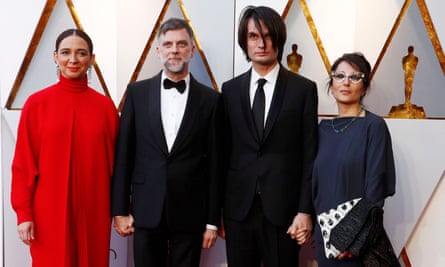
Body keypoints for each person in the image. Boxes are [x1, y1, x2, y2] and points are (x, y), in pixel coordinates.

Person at [111, 18, 220, 267]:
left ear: (192, 50)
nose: (174, 49)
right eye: (168, 44)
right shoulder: (137, 93)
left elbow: (216, 164)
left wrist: (212, 221)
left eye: (182, 44)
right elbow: (124, 156)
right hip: (145, 210)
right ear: (158, 50)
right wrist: (119, 210)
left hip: (191, 213)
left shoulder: (211, 100)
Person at [10, 28, 119, 267]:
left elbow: (118, 166)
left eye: (81, 53)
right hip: (48, 212)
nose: (73, 59)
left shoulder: (106, 108)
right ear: (55, 57)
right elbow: (23, 164)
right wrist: (24, 213)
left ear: (91, 59)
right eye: (66, 52)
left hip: (95, 210)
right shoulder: (36, 104)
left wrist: (122, 208)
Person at [219, 6, 318, 267]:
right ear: (245, 42)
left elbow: (310, 155)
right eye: (253, 36)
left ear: (279, 39)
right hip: (238, 210)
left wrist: (305, 210)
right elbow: (221, 154)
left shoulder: (303, 90)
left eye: (267, 35)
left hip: (284, 212)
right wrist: (216, 212)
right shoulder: (229, 91)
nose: (261, 44)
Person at [312, 52, 397, 266]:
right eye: (339, 76)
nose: (346, 82)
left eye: (355, 77)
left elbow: (375, 189)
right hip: (325, 236)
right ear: (331, 84)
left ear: (365, 87)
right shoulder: (320, 130)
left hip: (356, 243)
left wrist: (352, 238)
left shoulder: (373, 126)